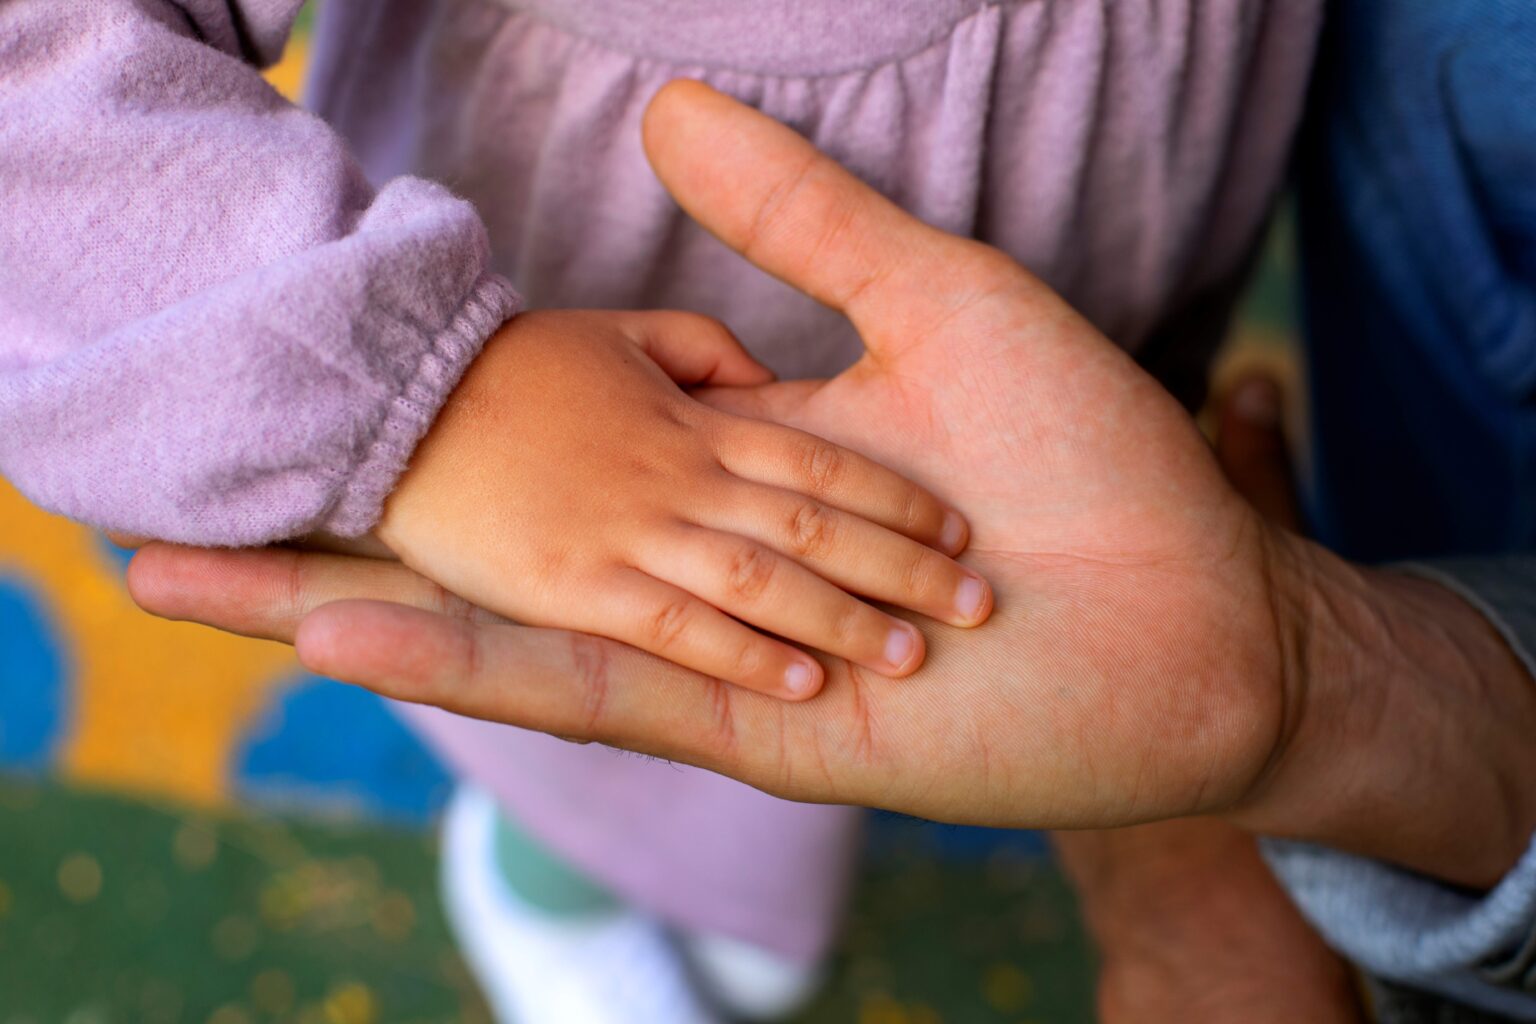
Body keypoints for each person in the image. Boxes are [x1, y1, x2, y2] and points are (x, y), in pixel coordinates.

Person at [1, 2, 1324, 1019]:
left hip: (1088, 298)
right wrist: (432, 393)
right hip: (583, 424)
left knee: (910, 669)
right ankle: (560, 877)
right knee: (614, 736)